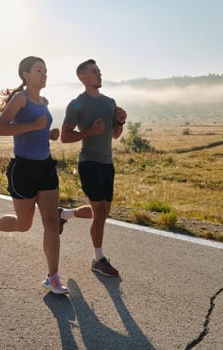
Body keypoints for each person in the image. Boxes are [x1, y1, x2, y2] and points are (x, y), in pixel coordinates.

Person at [0, 56, 69, 294]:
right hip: (23, 169)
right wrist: (34, 127)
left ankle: (53, 277)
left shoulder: (44, 101)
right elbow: (0, 129)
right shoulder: (20, 98)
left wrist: (47, 134)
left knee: (51, 221)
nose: (44, 74)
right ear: (25, 75)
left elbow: (38, 129)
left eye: (46, 70)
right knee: (24, 225)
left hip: (45, 167)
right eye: (38, 70)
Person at [60, 59, 127, 277]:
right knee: (99, 211)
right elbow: (65, 136)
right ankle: (98, 259)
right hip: (88, 162)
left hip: (107, 164)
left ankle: (65, 214)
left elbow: (114, 135)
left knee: (103, 212)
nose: (99, 74)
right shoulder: (77, 103)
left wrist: (120, 122)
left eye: (99, 70)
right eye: (94, 71)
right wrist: (89, 131)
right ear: (83, 77)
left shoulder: (110, 102)